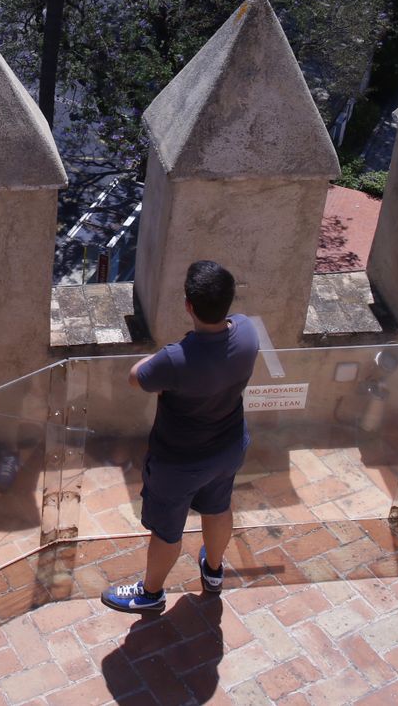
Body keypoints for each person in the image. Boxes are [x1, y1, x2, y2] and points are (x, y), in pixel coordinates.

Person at [101, 261, 259, 615]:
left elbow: (136, 377)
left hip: (179, 462)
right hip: (229, 447)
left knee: (166, 531)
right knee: (218, 507)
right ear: (229, 300)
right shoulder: (248, 332)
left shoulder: (175, 359)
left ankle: (150, 594)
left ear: (189, 305)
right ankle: (214, 572)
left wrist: (163, 359)